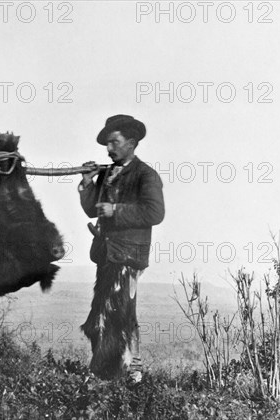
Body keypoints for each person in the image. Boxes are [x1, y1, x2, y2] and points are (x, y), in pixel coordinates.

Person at [79, 114, 165, 381]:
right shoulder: (107, 174)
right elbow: (91, 210)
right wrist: (87, 182)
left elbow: (155, 213)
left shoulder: (145, 175)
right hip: (108, 253)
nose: (109, 148)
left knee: (113, 312)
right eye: (107, 143)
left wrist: (116, 210)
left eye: (114, 142)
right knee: (108, 312)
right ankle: (125, 371)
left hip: (129, 255)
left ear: (131, 142)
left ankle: (114, 372)